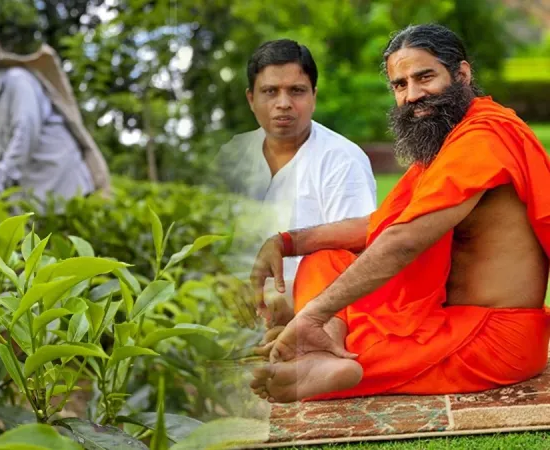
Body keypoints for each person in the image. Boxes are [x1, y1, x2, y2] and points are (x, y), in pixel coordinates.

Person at [248, 23, 550, 404]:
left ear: (462, 74)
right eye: (400, 84)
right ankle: (326, 347)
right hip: (441, 319)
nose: (413, 95)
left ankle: (322, 353)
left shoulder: (483, 138)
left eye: (425, 77)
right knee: (323, 260)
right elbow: (387, 226)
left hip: (492, 339)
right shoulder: (449, 139)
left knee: (310, 341)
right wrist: (289, 241)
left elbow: (403, 241)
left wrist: (312, 315)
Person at [213, 39, 377, 327]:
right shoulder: (233, 156)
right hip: (236, 314)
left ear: (313, 95)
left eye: (297, 91)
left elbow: (355, 259)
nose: (283, 103)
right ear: (251, 99)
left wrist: (286, 298)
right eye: (270, 91)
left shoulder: (341, 160)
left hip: (317, 319)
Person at [0, 26, 112, 209]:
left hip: (64, 183)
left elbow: (25, 134)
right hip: (37, 190)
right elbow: (3, 147)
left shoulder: (18, 81)